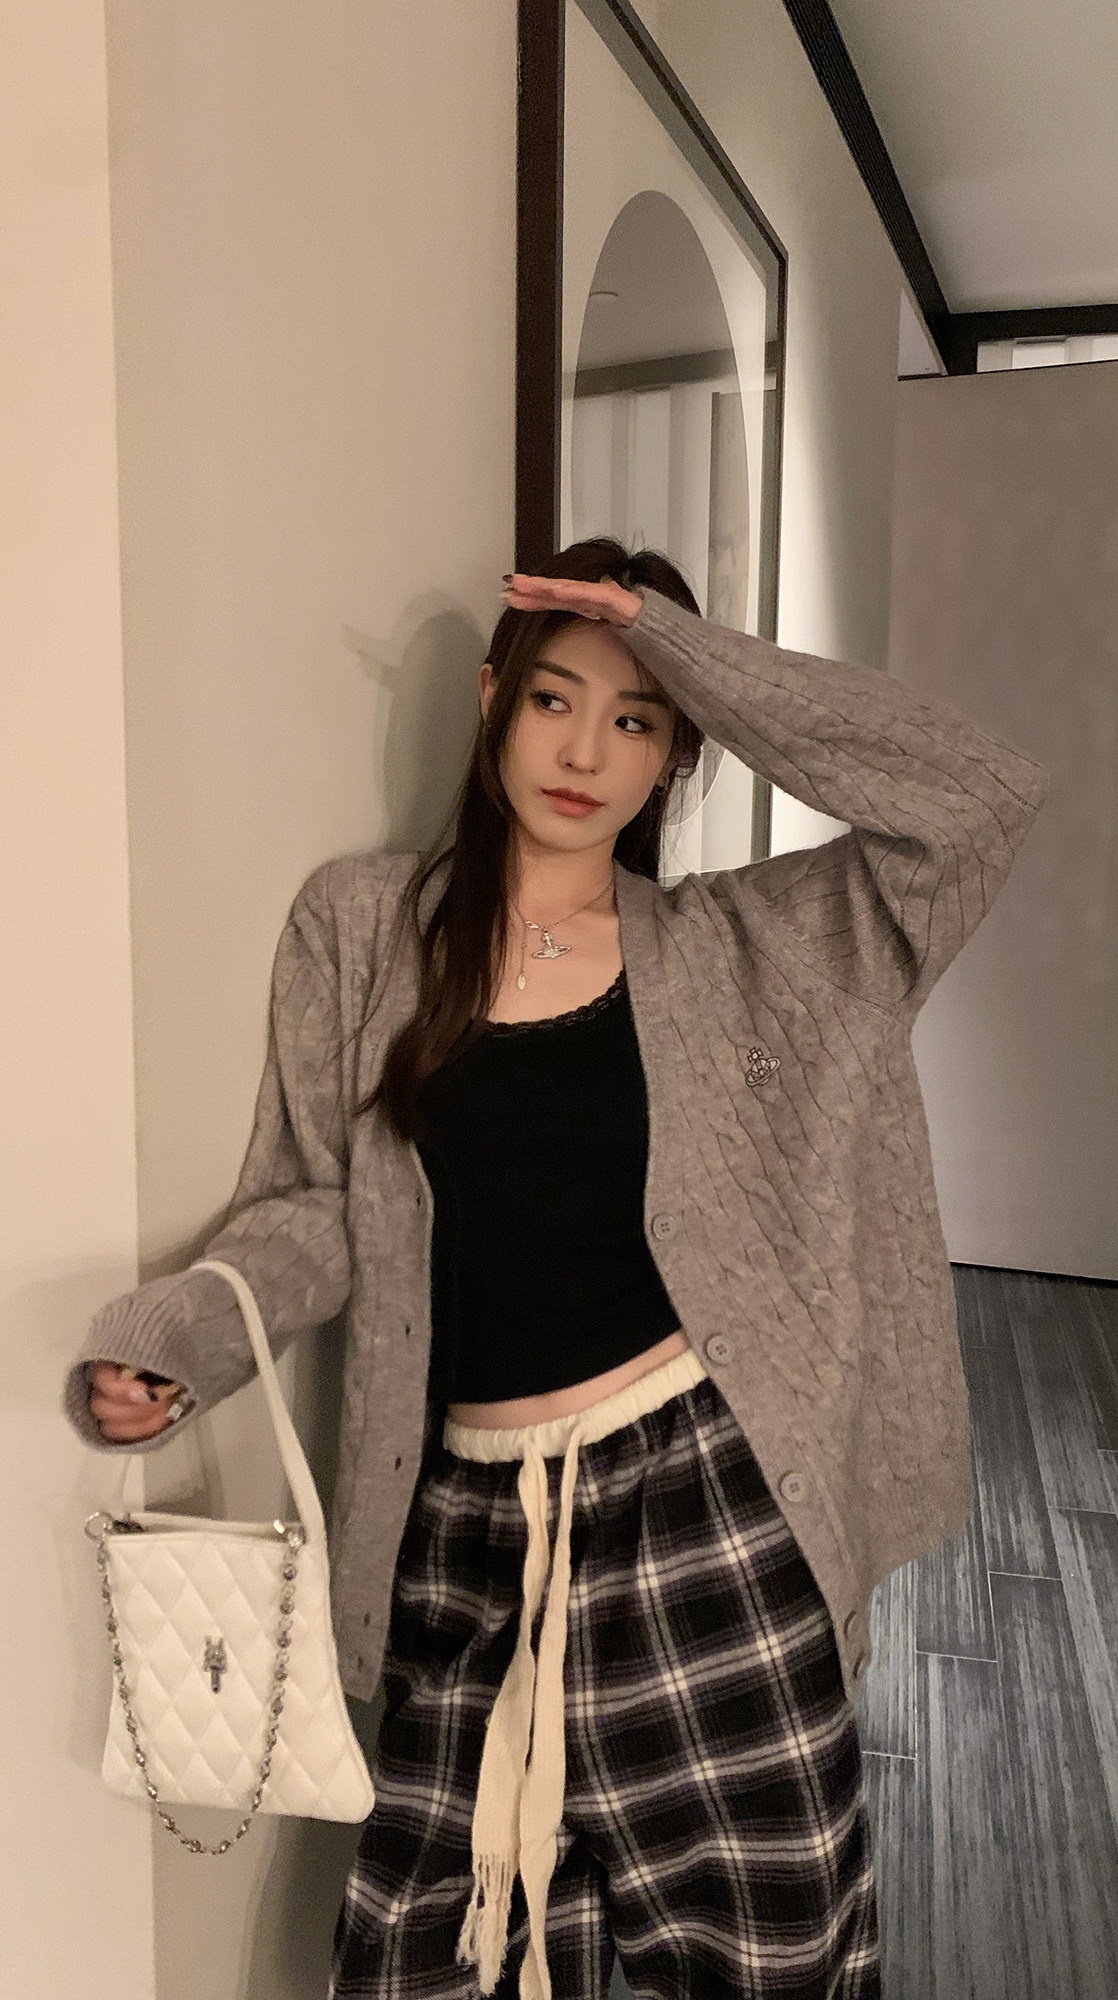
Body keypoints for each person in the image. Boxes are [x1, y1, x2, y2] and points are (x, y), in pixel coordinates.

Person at [67, 535, 1051, 1999]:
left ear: (680, 754)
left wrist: (689, 651)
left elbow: (977, 800)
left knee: (769, 1960)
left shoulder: (752, 945)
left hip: (707, 1525)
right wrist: (182, 1339)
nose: (587, 752)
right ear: (492, 701)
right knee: (432, 1957)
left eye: (638, 719)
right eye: (554, 700)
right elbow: (318, 1205)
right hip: (465, 1540)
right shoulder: (363, 926)